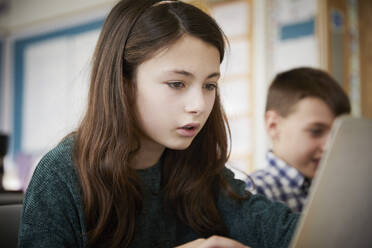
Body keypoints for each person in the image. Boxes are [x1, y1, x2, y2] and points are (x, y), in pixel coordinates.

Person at [18, 1, 299, 247]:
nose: (199, 105)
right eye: (177, 83)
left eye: (209, 85)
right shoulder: (61, 174)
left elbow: (284, 231)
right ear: (124, 82)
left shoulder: (199, 171)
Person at [245, 67, 351, 212]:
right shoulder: (254, 192)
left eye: (337, 134)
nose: (329, 146)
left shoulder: (338, 188)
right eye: (316, 131)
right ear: (273, 125)